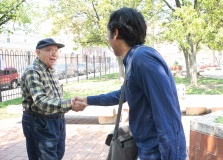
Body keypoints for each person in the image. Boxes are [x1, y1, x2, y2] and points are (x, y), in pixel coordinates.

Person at [72, 7, 187, 160]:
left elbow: (167, 115)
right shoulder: (134, 59)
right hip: (146, 149)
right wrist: (87, 100)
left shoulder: (142, 59)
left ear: (116, 33)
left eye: (108, 34)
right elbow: (123, 94)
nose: (108, 39)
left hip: (157, 153)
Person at [21, 38, 86, 160]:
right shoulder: (33, 71)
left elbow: (55, 97)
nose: (54, 54)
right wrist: (70, 104)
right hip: (40, 122)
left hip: (57, 120)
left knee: (58, 154)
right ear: (38, 52)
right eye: (49, 50)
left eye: (56, 50)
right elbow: (41, 102)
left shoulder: (50, 69)